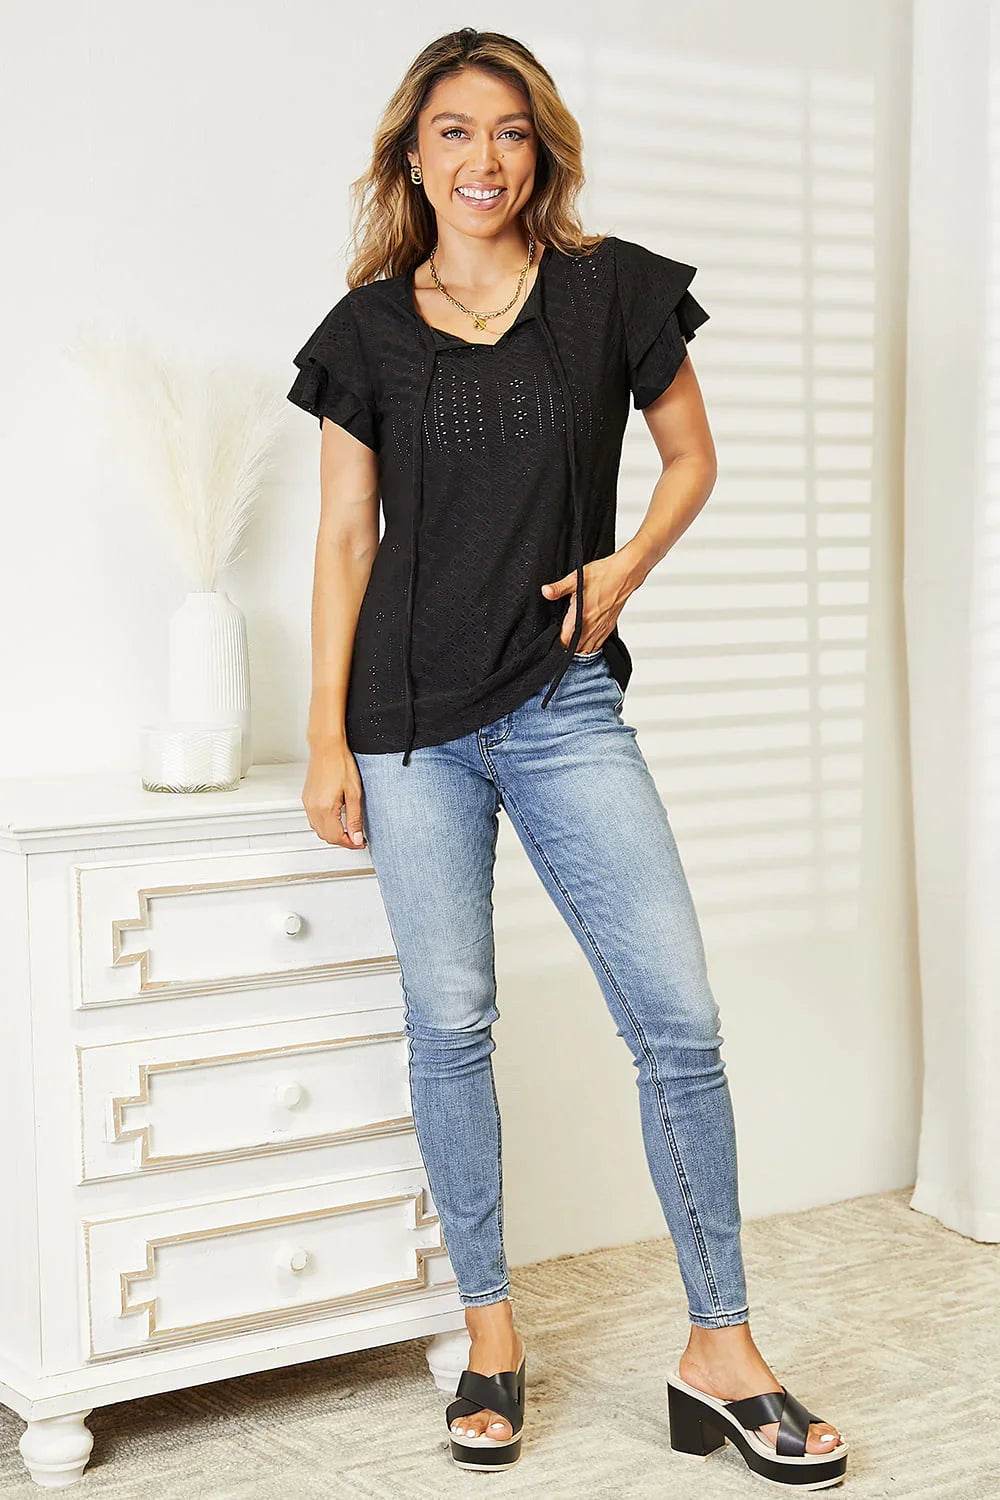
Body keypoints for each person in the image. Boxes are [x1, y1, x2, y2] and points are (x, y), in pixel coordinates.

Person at [287, 26, 848, 1490]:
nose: (484, 158)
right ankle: (491, 1337)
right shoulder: (366, 330)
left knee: (679, 1021)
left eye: (511, 131)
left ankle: (720, 1350)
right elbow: (345, 540)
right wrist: (325, 736)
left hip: (562, 705)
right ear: (413, 158)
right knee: (452, 1024)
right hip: (407, 725)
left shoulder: (609, 292)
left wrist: (624, 569)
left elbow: (692, 458)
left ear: (541, 151)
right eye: (455, 132)